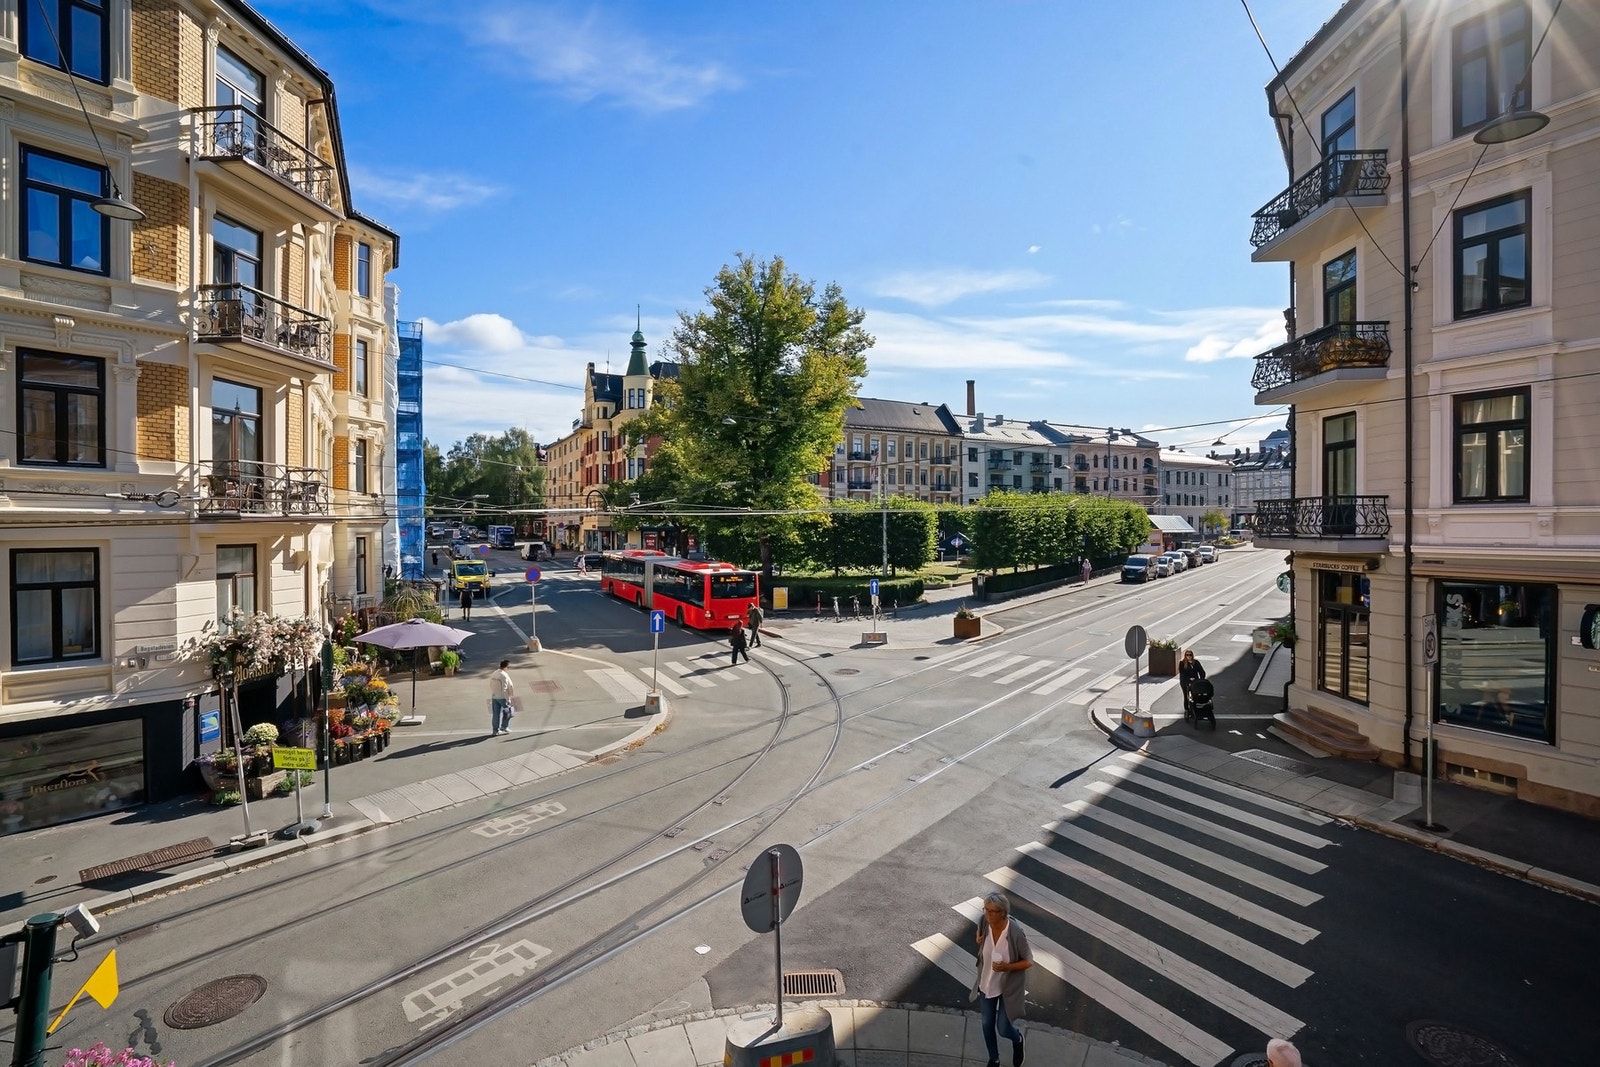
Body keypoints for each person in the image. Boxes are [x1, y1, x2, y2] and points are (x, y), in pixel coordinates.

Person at [969, 890, 1031, 1067]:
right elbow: (979, 932)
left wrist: (1007, 967)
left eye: (992, 911)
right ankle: (994, 1059)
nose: (987, 914)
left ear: (1003, 913)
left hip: (1007, 987)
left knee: (1003, 1028)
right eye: (985, 909)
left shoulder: (1015, 933)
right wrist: (978, 938)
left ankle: (1018, 1039)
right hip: (987, 983)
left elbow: (1028, 961)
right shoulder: (984, 921)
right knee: (986, 1023)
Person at [489, 659, 514, 736]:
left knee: (496, 714)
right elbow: (505, 689)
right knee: (509, 711)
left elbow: (491, 684)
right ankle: (504, 726)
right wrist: (508, 699)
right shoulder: (504, 675)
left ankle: (495, 730)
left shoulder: (495, 673)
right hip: (502, 697)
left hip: (494, 696)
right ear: (506, 667)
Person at [1178, 649, 1207, 715]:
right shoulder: (1182, 663)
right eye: (1187, 655)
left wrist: (1201, 679)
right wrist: (1188, 679)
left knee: (1195, 693)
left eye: (1190, 655)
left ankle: (1195, 707)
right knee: (1186, 695)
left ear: (1192, 655)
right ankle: (1187, 709)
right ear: (1185, 656)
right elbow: (1182, 673)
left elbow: (1201, 671)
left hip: (1195, 681)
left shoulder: (1196, 662)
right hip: (1185, 681)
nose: (1188, 656)